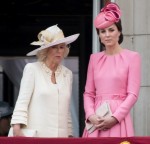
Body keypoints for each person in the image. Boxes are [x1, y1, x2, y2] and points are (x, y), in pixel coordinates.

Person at [82, 2, 141, 137]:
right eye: (103, 31)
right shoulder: (94, 59)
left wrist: (115, 118)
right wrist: (91, 115)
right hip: (97, 119)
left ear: (119, 32)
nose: (107, 35)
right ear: (99, 36)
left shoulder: (132, 57)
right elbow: (88, 93)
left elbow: (132, 94)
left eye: (111, 30)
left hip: (118, 120)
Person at [10, 24, 80, 137]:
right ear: (45, 50)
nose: (59, 51)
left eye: (62, 47)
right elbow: (22, 101)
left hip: (61, 137)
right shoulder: (32, 69)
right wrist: (16, 128)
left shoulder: (68, 74)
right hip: (37, 136)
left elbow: (66, 110)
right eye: (54, 47)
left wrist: (69, 134)